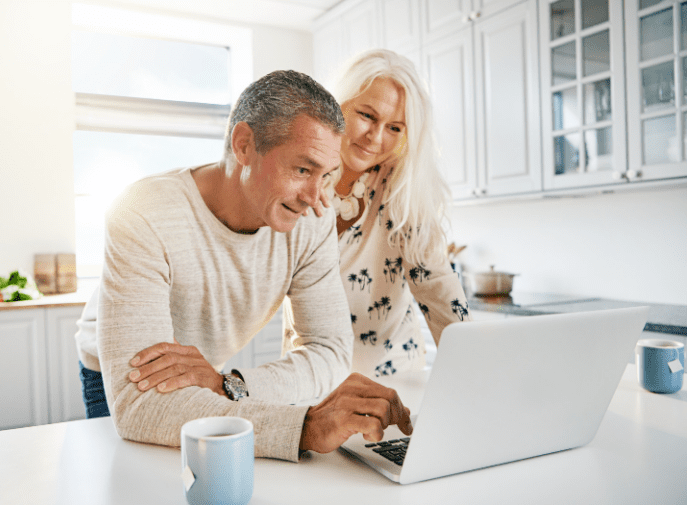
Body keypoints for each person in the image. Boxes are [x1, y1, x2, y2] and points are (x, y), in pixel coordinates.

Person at [78, 70, 412, 462]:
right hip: (118, 375)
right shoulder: (144, 211)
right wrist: (305, 428)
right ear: (244, 145)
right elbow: (141, 407)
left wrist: (229, 385)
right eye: (302, 170)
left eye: (326, 175)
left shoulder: (312, 220)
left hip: (209, 373)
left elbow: (331, 353)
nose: (315, 197)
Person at [322, 49, 471, 377]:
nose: (375, 137)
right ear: (338, 105)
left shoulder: (401, 186)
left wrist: (477, 369)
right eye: (367, 115)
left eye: (395, 127)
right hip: (312, 376)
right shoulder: (303, 180)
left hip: (393, 379)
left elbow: (436, 284)